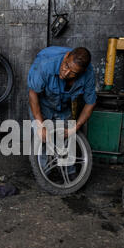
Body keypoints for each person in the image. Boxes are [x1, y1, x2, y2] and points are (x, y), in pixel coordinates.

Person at [27, 46, 97, 180]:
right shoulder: (45, 65)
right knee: (42, 137)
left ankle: (68, 170)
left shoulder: (88, 74)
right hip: (41, 101)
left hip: (63, 104)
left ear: (82, 72)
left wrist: (75, 128)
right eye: (66, 66)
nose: (65, 73)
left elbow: (90, 103)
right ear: (66, 56)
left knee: (67, 135)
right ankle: (43, 172)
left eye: (73, 73)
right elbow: (33, 94)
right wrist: (40, 124)